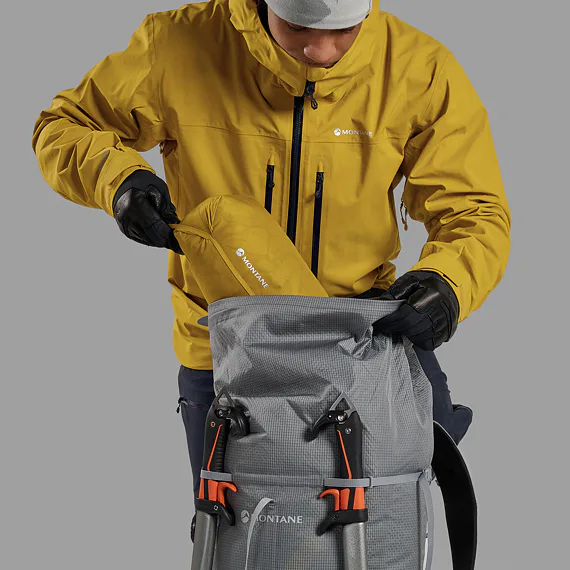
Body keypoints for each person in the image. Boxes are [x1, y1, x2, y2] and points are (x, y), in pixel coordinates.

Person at [32, 0, 511, 543]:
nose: (319, 50)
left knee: (383, 528)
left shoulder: (419, 68)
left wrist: (448, 283)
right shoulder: (179, 45)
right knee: (246, 536)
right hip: (227, 348)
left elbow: (475, 210)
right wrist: (118, 182)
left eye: (342, 30)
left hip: (362, 343)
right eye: (299, 26)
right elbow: (64, 126)